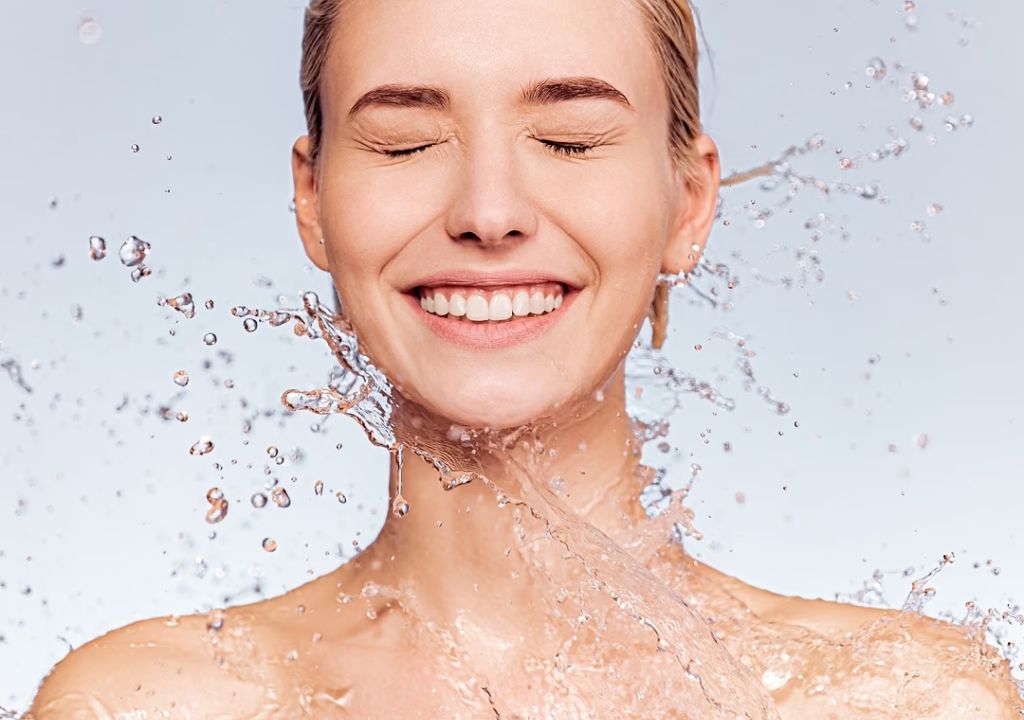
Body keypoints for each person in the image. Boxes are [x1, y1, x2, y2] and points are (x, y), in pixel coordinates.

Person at [28, 0, 1022, 717]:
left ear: (687, 202)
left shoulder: (895, 700)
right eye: (405, 142)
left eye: (571, 139)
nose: (489, 212)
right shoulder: (150, 703)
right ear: (312, 198)